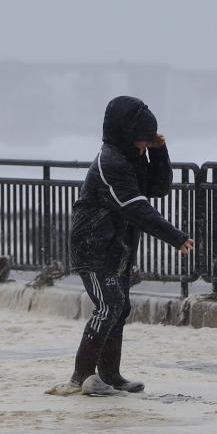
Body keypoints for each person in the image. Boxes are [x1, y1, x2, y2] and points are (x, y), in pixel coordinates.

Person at [65, 96, 194, 396]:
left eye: (146, 143)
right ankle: (80, 377)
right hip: (93, 248)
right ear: (125, 135)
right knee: (108, 304)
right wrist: (175, 236)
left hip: (118, 248)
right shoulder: (110, 162)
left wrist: (159, 152)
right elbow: (135, 206)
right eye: (142, 142)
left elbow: (158, 188)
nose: (143, 147)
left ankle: (110, 375)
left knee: (120, 308)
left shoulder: (132, 159)